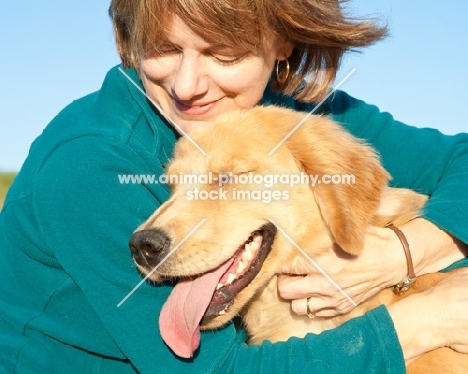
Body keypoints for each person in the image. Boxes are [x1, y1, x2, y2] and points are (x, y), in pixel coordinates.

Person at [1, 0, 468, 373]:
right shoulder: (90, 161)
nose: (186, 86)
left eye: (224, 54)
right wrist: (427, 320)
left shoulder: (290, 110)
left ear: (282, 44)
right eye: (163, 48)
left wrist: (409, 250)